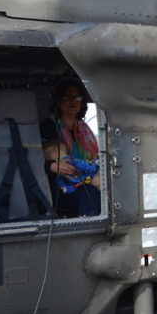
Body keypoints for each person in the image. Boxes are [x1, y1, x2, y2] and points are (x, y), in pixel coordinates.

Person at [40, 81, 101, 216]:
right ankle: (90, 227)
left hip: (87, 177)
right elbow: (35, 161)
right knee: (89, 191)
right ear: (58, 101)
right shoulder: (49, 126)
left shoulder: (84, 129)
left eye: (77, 97)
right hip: (61, 186)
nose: (73, 101)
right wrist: (53, 166)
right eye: (67, 97)